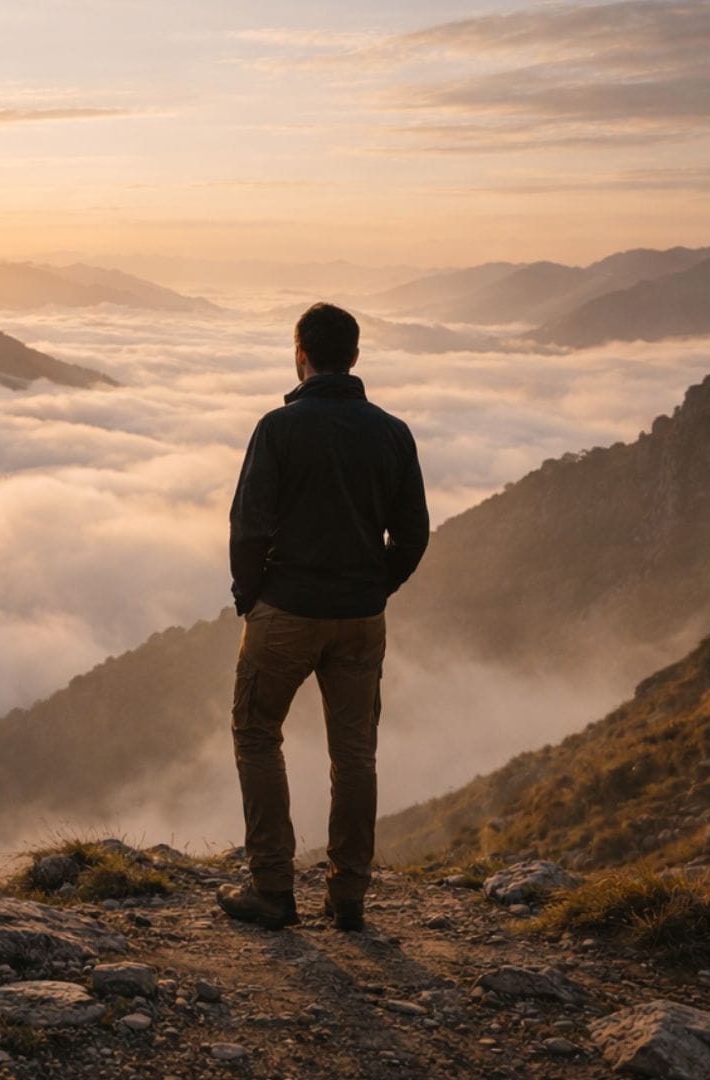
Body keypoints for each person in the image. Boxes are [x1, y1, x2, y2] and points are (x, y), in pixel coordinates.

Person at [217, 302, 429, 931]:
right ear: (356, 358)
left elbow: (248, 526)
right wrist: (374, 587)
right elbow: (413, 536)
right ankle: (348, 899)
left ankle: (273, 890)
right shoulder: (393, 432)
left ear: (299, 354)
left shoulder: (278, 429)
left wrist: (250, 597)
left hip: (286, 612)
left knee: (257, 735)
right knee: (356, 754)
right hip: (361, 620)